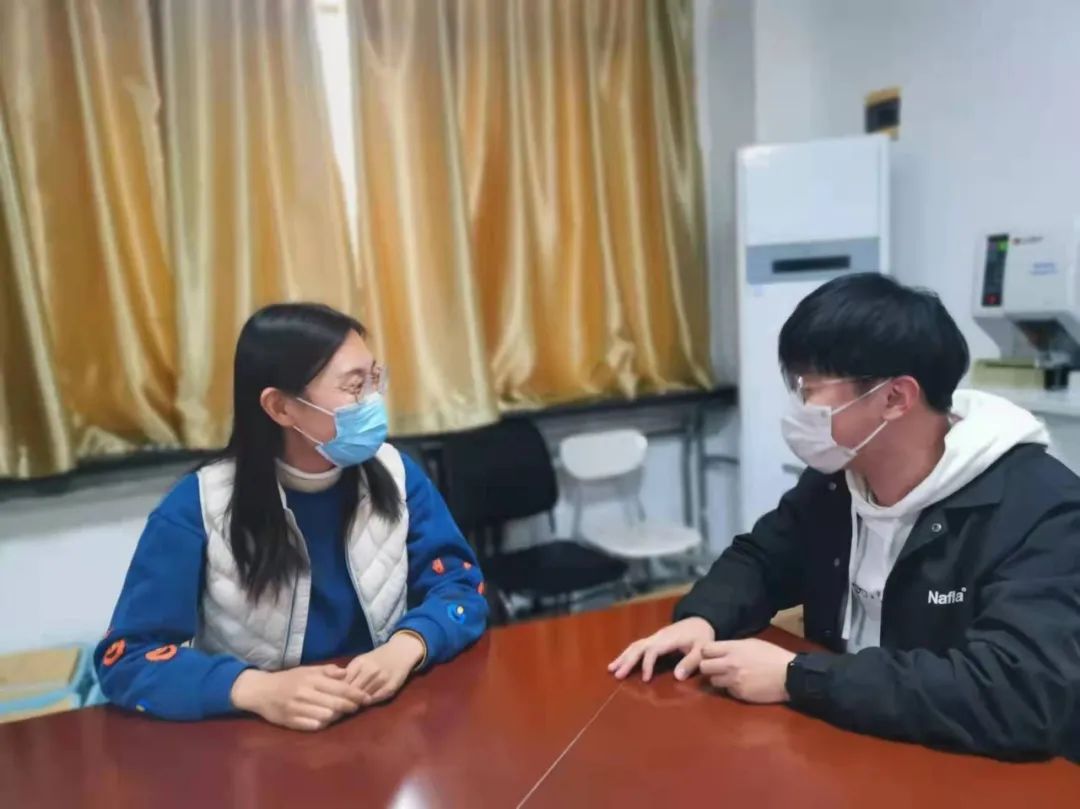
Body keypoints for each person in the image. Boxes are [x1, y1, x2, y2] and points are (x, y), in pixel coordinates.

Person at [610, 274, 1080, 760]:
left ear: (895, 398)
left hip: (966, 769)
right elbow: (761, 558)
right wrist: (702, 619)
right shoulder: (839, 479)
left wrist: (797, 678)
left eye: (810, 389)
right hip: (849, 743)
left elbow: (1018, 693)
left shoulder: (1043, 510)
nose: (799, 408)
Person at [95, 303, 487, 731]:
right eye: (354, 387)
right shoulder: (197, 506)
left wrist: (408, 645)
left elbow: (460, 587)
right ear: (280, 408)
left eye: (374, 379)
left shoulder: (396, 474)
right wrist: (254, 689)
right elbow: (127, 659)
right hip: (259, 736)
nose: (373, 401)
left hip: (379, 719)